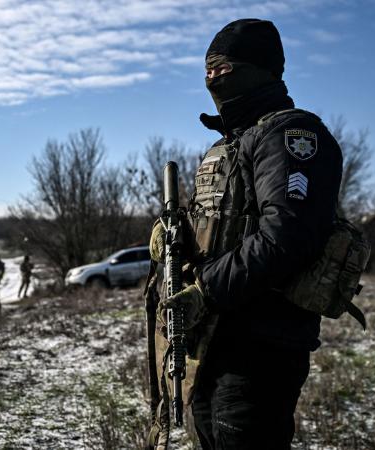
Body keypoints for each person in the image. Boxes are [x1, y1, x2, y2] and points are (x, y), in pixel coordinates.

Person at [147, 18, 343, 449]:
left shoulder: (292, 134)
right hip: (216, 337)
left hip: (263, 344)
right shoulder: (230, 144)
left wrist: (205, 289)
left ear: (260, 69)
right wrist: (172, 236)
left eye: (224, 66)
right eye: (208, 67)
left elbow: (287, 235)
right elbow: (223, 232)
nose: (211, 76)